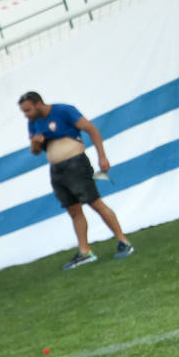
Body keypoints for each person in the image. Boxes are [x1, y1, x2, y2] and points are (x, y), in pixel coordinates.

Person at [18, 91, 134, 269]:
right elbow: (35, 151)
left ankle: (123, 241)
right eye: (24, 111)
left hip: (76, 165)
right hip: (57, 170)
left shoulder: (64, 111)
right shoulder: (33, 124)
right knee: (73, 210)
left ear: (38, 103)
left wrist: (102, 156)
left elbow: (92, 130)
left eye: (28, 110)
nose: (26, 114)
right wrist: (35, 144)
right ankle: (84, 251)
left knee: (95, 203)